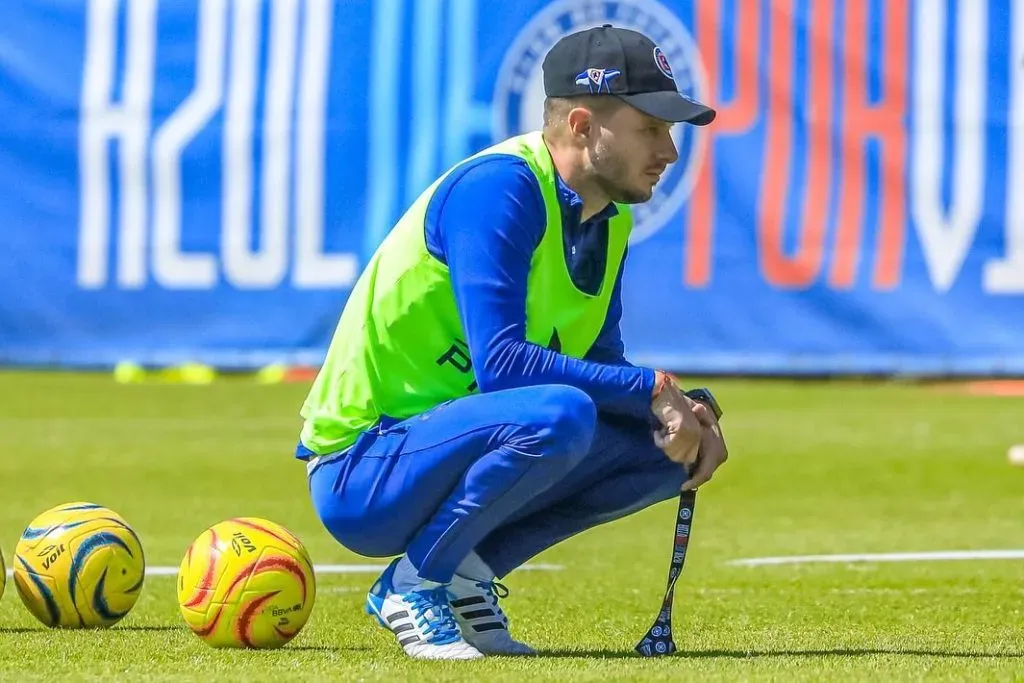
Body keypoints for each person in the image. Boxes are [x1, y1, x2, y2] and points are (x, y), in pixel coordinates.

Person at [296, 24, 728, 660]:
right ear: (581, 126)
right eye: (650, 128)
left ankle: (463, 575)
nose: (669, 149)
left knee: (661, 448)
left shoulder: (610, 218)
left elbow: (598, 363)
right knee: (561, 412)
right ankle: (414, 585)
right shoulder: (500, 189)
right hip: (364, 469)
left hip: (450, 446)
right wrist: (650, 389)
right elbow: (502, 367)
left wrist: (677, 409)